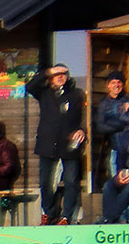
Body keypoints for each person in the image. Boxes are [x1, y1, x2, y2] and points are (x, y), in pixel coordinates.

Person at [25, 63, 88, 224]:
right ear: (51, 77)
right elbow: (30, 86)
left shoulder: (77, 94)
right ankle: (50, 213)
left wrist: (82, 130)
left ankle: (66, 216)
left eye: (63, 74)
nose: (60, 77)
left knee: (71, 182)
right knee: (45, 182)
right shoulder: (45, 93)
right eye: (57, 74)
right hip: (47, 144)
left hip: (70, 145)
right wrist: (48, 71)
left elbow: (85, 116)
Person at [92, 73, 129, 191]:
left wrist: (114, 123)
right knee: (117, 181)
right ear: (108, 86)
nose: (116, 85)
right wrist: (122, 125)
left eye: (119, 82)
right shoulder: (104, 103)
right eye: (113, 82)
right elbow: (101, 127)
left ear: (123, 84)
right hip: (115, 148)